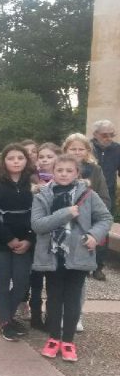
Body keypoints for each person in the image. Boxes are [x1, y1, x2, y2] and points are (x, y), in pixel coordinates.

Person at [31, 155, 112, 362]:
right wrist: (66, 213)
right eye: (60, 170)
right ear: (53, 172)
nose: (64, 174)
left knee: (73, 299)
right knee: (55, 297)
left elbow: (105, 218)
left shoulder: (88, 195)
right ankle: (53, 337)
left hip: (78, 253)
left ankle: (68, 340)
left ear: (77, 173)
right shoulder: (42, 194)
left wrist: (95, 235)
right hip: (53, 254)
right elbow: (38, 225)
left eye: (69, 170)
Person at [0, 144, 36, 342]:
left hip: (26, 239)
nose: (16, 161)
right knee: (3, 280)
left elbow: (39, 213)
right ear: (3, 161)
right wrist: (9, 239)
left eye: (20, 158)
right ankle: (6, 321)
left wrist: (29, 239)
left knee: (22, 281)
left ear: (26, 161)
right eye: (11, 158)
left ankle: (10, 314)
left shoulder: (33, 184)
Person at [63, 133, 111, 283]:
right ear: (66, 150)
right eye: (73, 149)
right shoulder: (60, 167)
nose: (77, 152)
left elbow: (104, 196)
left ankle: (96, 267)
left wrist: (93, 213)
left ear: (87, 151)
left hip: (89, 215)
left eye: (81, 149)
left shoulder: (95, 170)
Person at [28, 142, 62, 331]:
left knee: (53, 278)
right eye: (42, 157)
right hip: (34, 234)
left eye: (49, 157)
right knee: (35, 278)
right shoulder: (31, 179)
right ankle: (34, 314)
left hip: (55, 236)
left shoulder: (63, 179)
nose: (45, 160)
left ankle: (52, 315)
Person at [90, 120, 120, 279]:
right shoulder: (86, 148)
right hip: (84, 196)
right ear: (95, 135)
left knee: (102, 231)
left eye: (111, 135)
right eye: (104, 135)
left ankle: (98, 266)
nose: (108, 138)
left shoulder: (117, 150)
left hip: (105, 196)